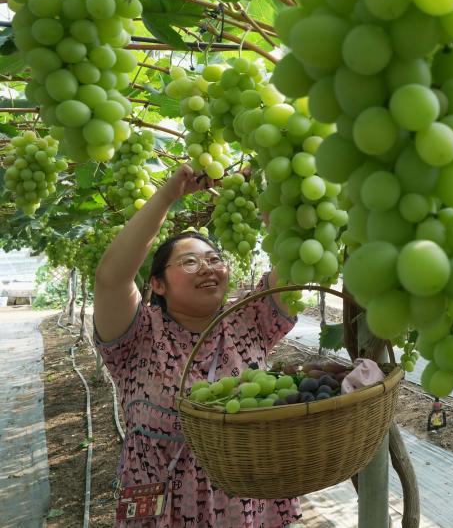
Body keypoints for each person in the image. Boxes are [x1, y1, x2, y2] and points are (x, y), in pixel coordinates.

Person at [94, 164, 301, 527]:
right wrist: (167, 195)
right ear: (157, 284)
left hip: (246, 505)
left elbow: (295, 256)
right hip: (159, 508)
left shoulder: (250, 319)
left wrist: (264, 187)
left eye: (214, 259)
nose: (207, 268)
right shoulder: (137, 335)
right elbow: (111, 278)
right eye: (189, 262)